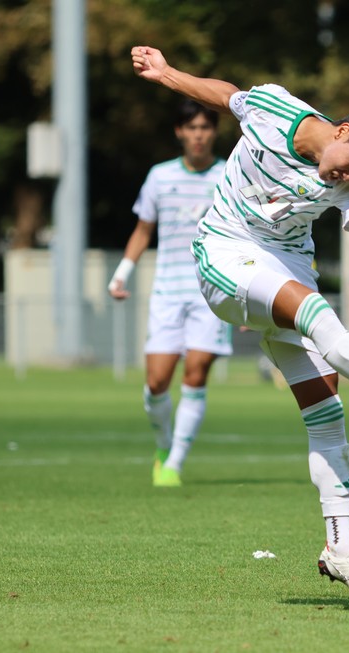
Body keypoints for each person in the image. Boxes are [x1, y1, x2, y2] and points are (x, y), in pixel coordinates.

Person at [130, 45, 349, 609]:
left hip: (283, 265)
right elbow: (224, 95)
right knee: (315, 312)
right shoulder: (276, 108)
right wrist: (166, 73)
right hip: (224, 250)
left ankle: (341, 551)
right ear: (343, 130)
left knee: (327, 412)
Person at [108, 100, 233, 488]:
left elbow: (248, 232)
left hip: (213, 291)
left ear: (214, 132)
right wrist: (122, 273)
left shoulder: (230, 173)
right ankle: (164, 446)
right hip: (166, 292)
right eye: (191, 127)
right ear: (179, 132)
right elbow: (143, 230)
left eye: (205, 127)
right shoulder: (159, 177)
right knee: (156, 383)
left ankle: (174, 464)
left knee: (196, 374)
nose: (199, 134)